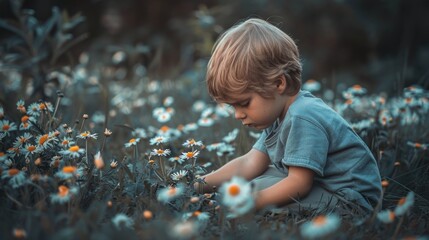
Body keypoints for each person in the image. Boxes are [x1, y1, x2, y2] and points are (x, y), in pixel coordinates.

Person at [196, 18, 382, 214]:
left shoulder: (302, 116)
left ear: (278, 84)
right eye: (232, 106)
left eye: (244, 103)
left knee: (256, 194)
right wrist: (199, 184)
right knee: (247, 184)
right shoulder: (277, 113)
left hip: (349, 199)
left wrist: (252, 202)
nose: (238, 115)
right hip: (320, 186)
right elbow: (249, 163)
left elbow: (298, 184)